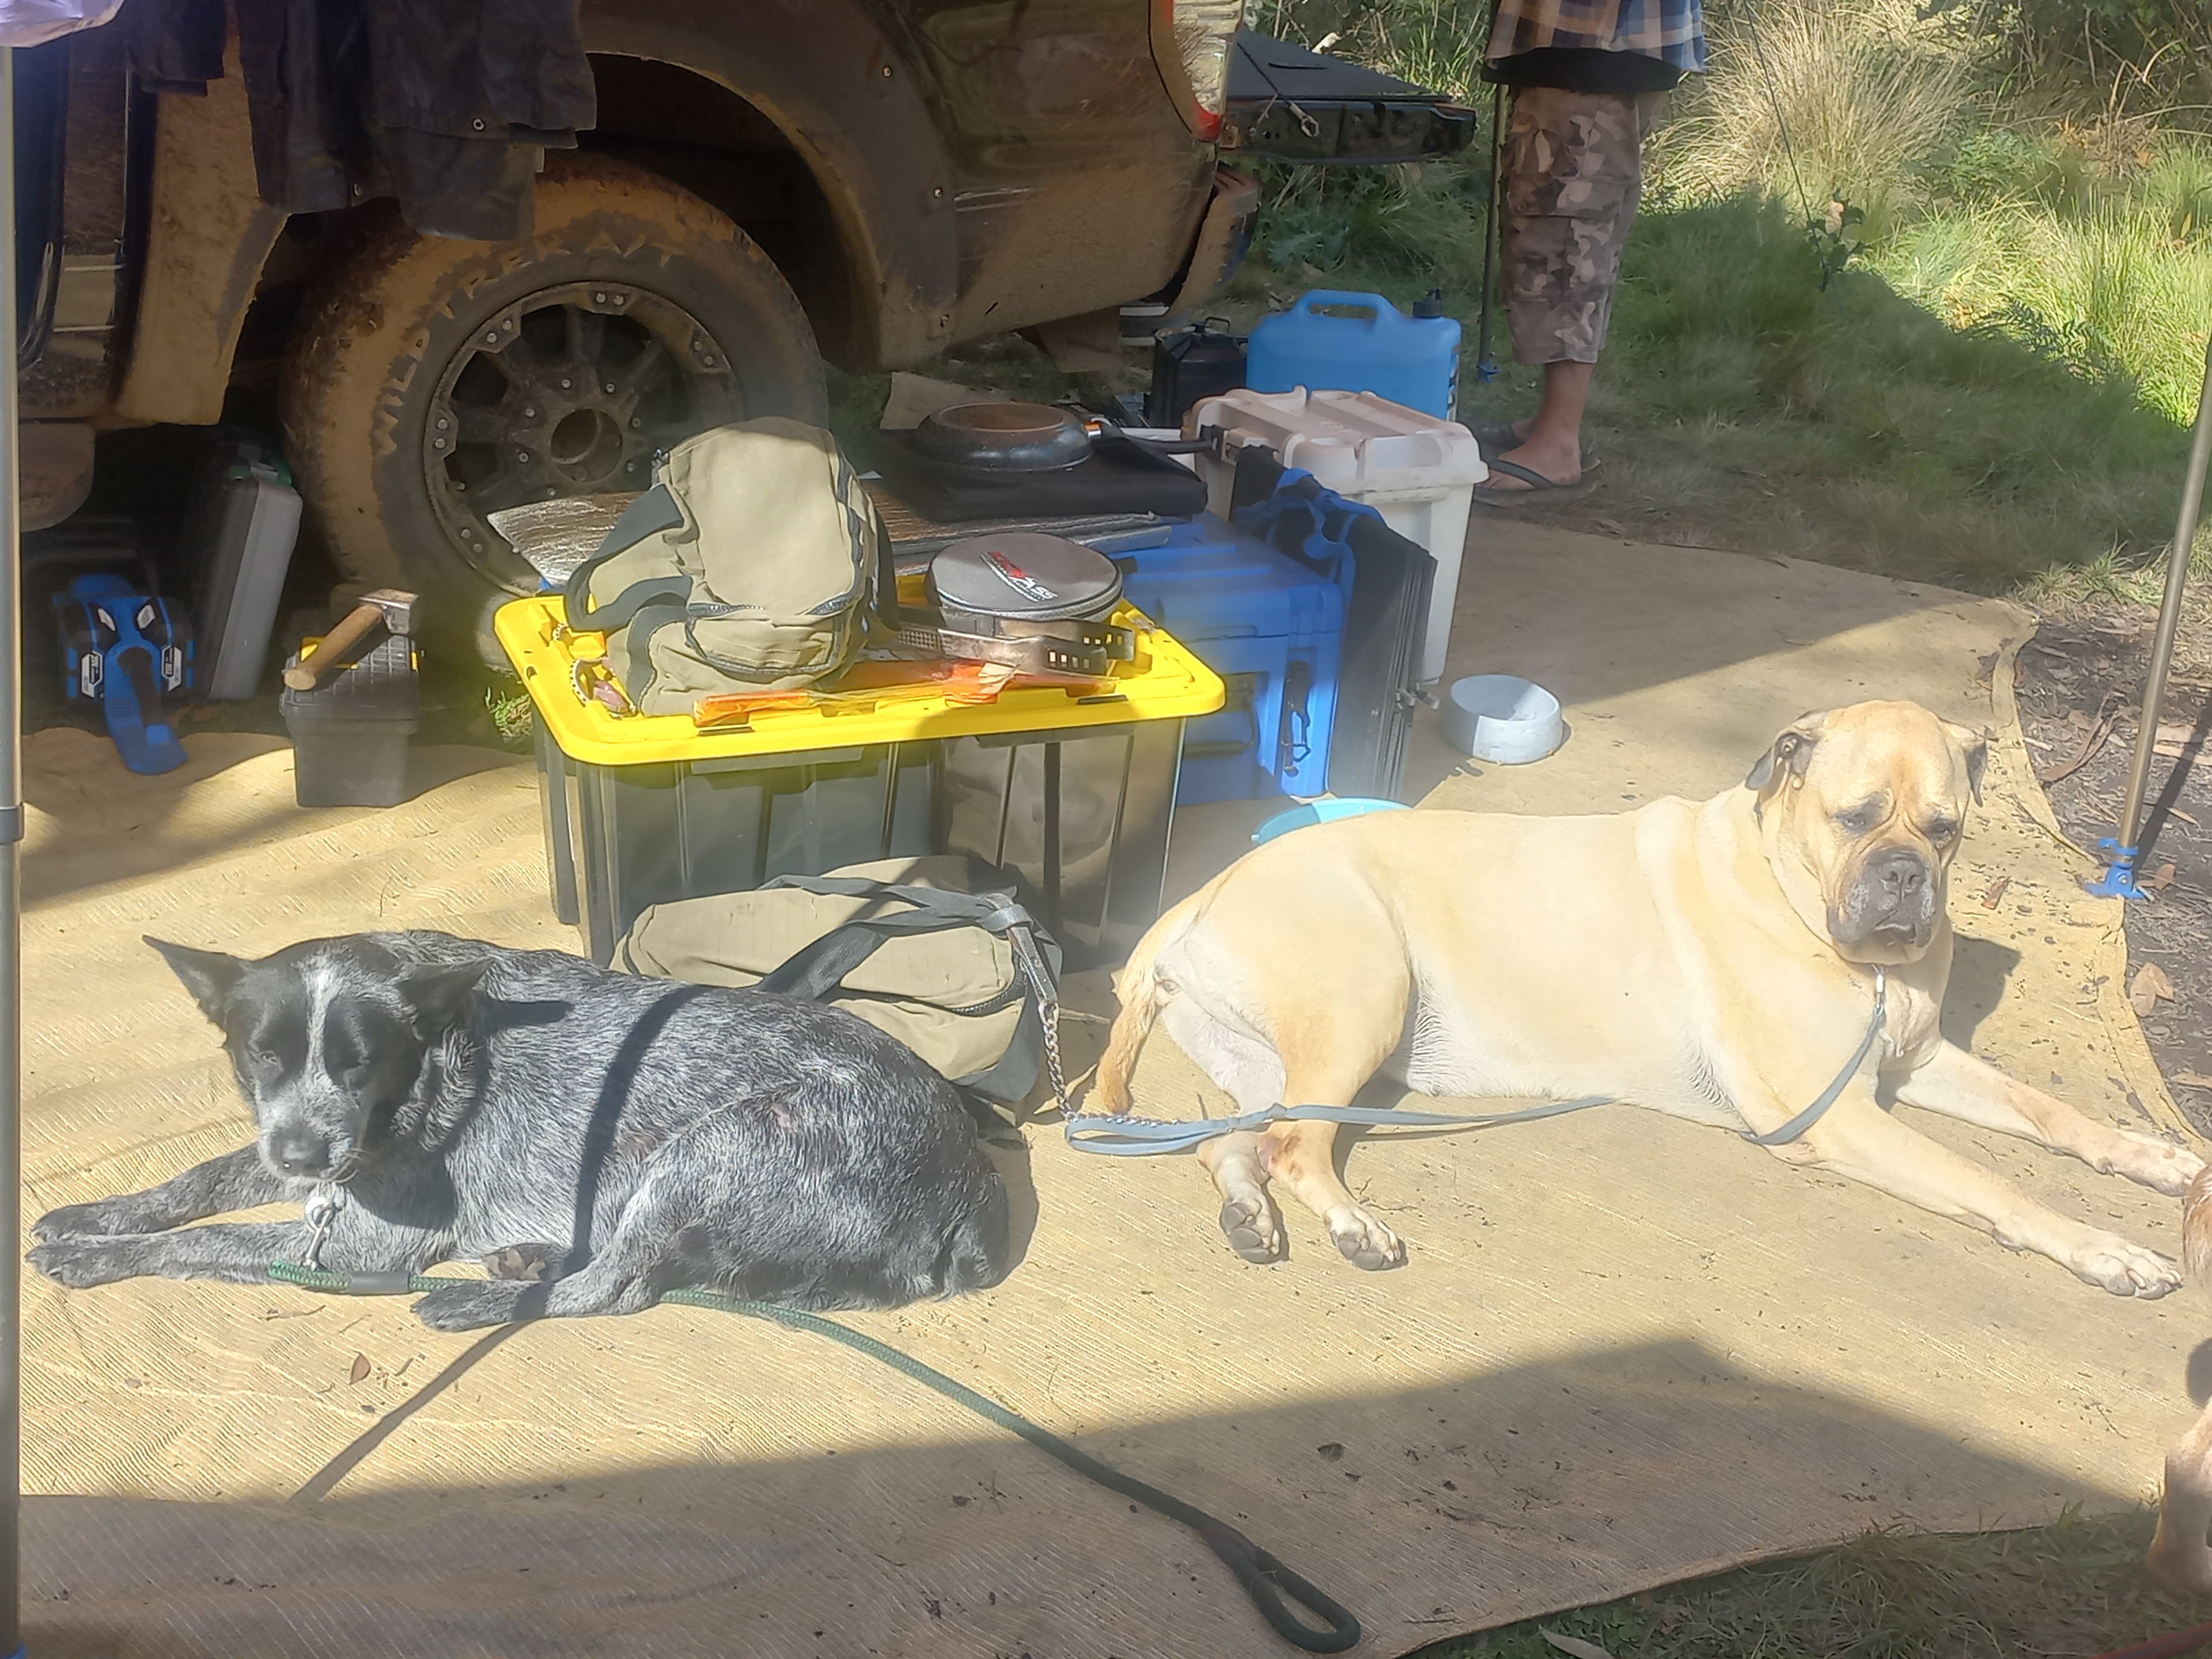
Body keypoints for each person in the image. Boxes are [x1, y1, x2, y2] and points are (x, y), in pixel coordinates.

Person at [1471, 0, 1706, 504]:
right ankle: (1551, 423)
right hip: (1598, 44)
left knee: (1563, 236)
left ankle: (1557, 443)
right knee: (1579, 232)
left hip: (1591, 41)